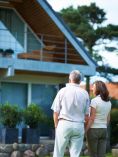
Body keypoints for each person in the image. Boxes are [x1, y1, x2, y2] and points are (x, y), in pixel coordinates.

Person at [51, 70, 90, 157]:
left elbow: (56, 111)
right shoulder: (85, 93)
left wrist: (56, 126)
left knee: (58, 153)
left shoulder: (62, 91)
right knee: (75, 155)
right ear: (80, 81)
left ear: (69, 79)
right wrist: (83, 128)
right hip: (79, 125)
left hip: (64, 124)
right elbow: (87, 115)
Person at [86, 81, 112, 157]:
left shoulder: (94, 101)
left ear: (97, 89)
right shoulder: (108, 102)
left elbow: (92, 118)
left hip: (93, 130)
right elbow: (108, 118)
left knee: (93, 154)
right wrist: (103, 126)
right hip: (103, 130)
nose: (92, 88)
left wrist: (85, 130)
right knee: (101, 155)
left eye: (93, 87)